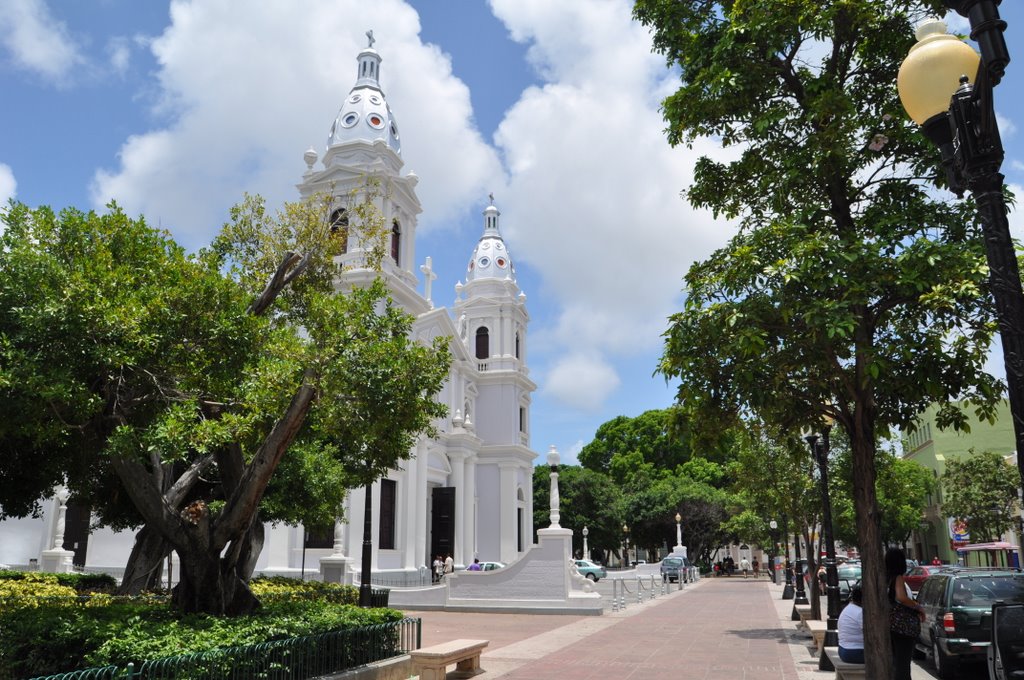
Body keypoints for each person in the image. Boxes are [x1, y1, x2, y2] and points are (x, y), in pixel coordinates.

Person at [886, 547, 925, 680]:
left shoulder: (886, 578)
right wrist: (918, 607)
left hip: (892, 625)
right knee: (903, 663)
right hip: (903, 628)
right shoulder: (898, 578)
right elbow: (901, 597)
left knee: (897, 662)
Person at [837, 585, 865, 664]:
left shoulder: (848, 608)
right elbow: (871, 635)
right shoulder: (860, 612)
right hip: (854, 652)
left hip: (843, 649)